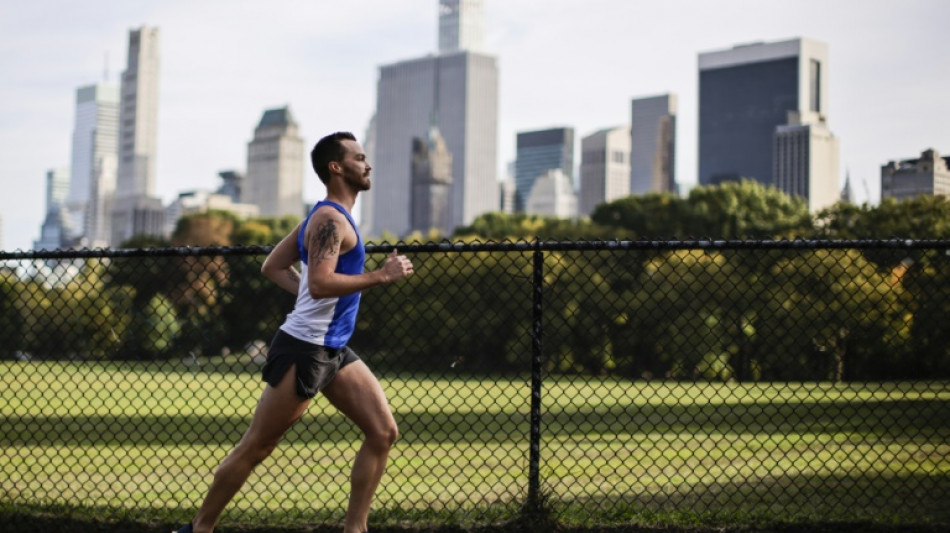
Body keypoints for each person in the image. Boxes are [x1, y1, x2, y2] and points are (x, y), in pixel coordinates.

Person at [175, 131, 414, 533]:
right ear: (336, 167)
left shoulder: (325, 216)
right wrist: (381, 276)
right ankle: (198, 529)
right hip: (305, 349)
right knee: (258, 445)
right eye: (359, 157)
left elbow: (273, 267)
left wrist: (307, 291)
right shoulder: (327, 219)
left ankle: (355, 530)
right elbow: (320, 283)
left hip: (333, 348)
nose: (367, 164)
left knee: (383, 431)